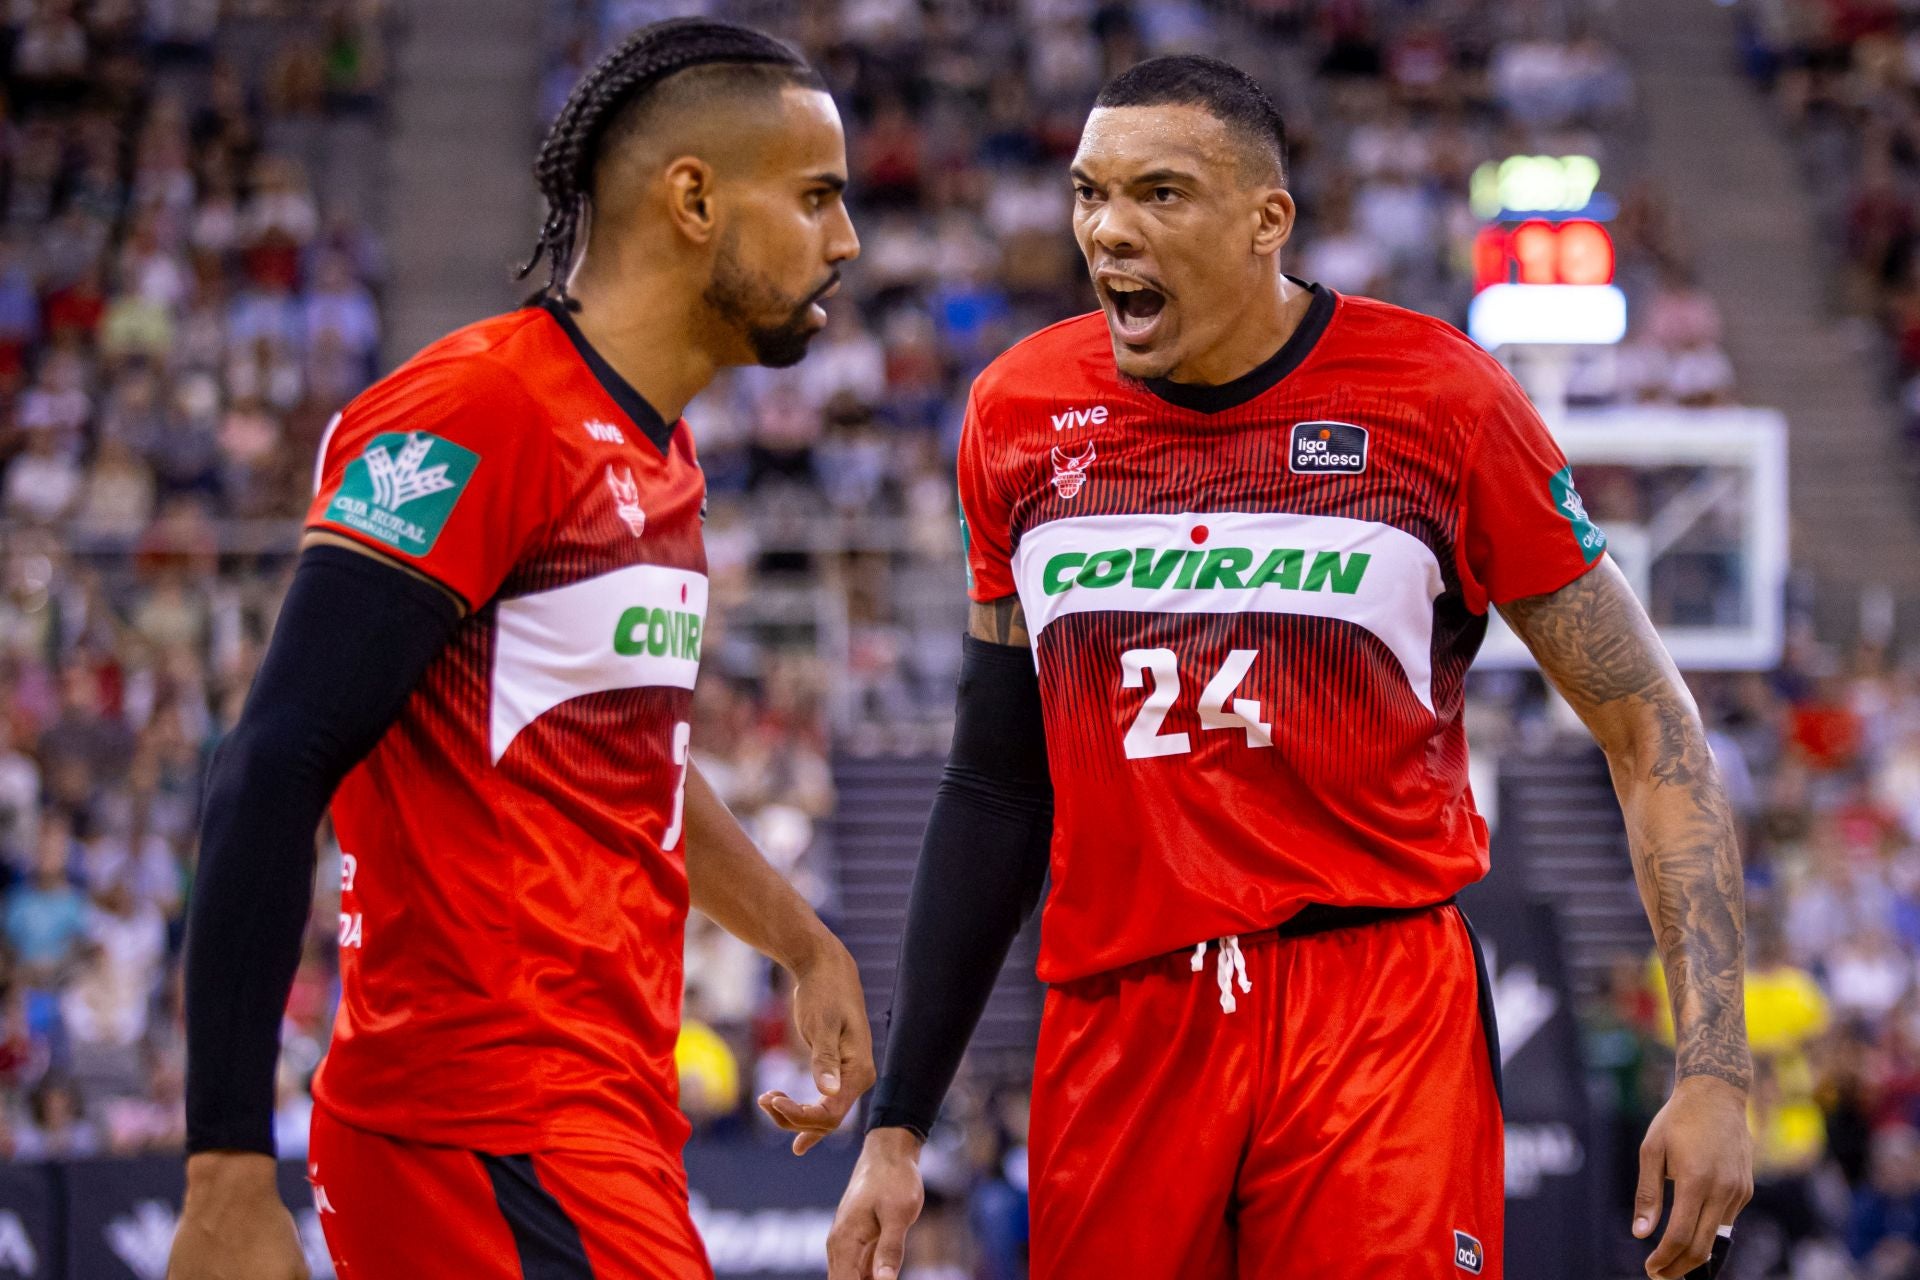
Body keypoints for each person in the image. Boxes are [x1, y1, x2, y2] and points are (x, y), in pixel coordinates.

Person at [830, 54, 1752, 1280]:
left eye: (1160, 194)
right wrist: (898, 1119)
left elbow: (1652, 726)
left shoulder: (1441, 402)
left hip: (1370, 1005)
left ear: (1270, 219)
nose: (1110, 231)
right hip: (1122, 1023)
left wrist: (1718, 1064)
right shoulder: (1016, 412)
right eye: (1089, 193)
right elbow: (995, 783)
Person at [168, 19, 869, 1280]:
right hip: (478, 1124)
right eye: (816, 196)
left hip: (595, 1119)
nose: (846, 241)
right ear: (695, 197)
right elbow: (270, 763)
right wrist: (223, 1168)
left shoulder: (663, 454)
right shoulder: (478, 408)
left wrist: (801, 938)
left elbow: (624, 757)